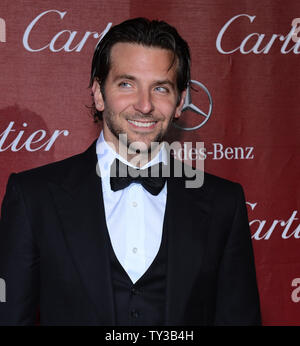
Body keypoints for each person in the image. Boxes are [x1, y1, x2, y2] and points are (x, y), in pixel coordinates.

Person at [0, 18, 261, 326]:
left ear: (180, 102)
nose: (144, 105)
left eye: (160, 88)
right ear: (98, 93)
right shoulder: (33, 197)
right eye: (127, 84)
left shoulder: (223, 203)